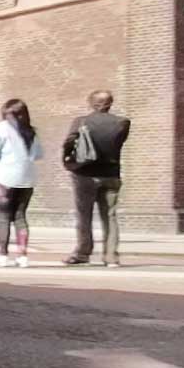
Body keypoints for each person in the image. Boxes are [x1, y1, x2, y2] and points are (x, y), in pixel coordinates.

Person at [62, 89, 131, 267]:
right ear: (110, 103)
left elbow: (68, 143)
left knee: (84, 215)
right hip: (111, 174)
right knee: (110, 216)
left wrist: (68, 162)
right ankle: (111, 256)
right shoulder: (122, 123)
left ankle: (83, 253)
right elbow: (117, 143)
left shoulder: (81, 122)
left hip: (85, 174)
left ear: (92, 104)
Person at [0, 99, 43, 268]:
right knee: (21, 217)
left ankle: (2, 255)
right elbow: (37, 155)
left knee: (3, 218)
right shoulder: (32, 132)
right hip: (27, 180)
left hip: (3, 178)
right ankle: (22, 256)